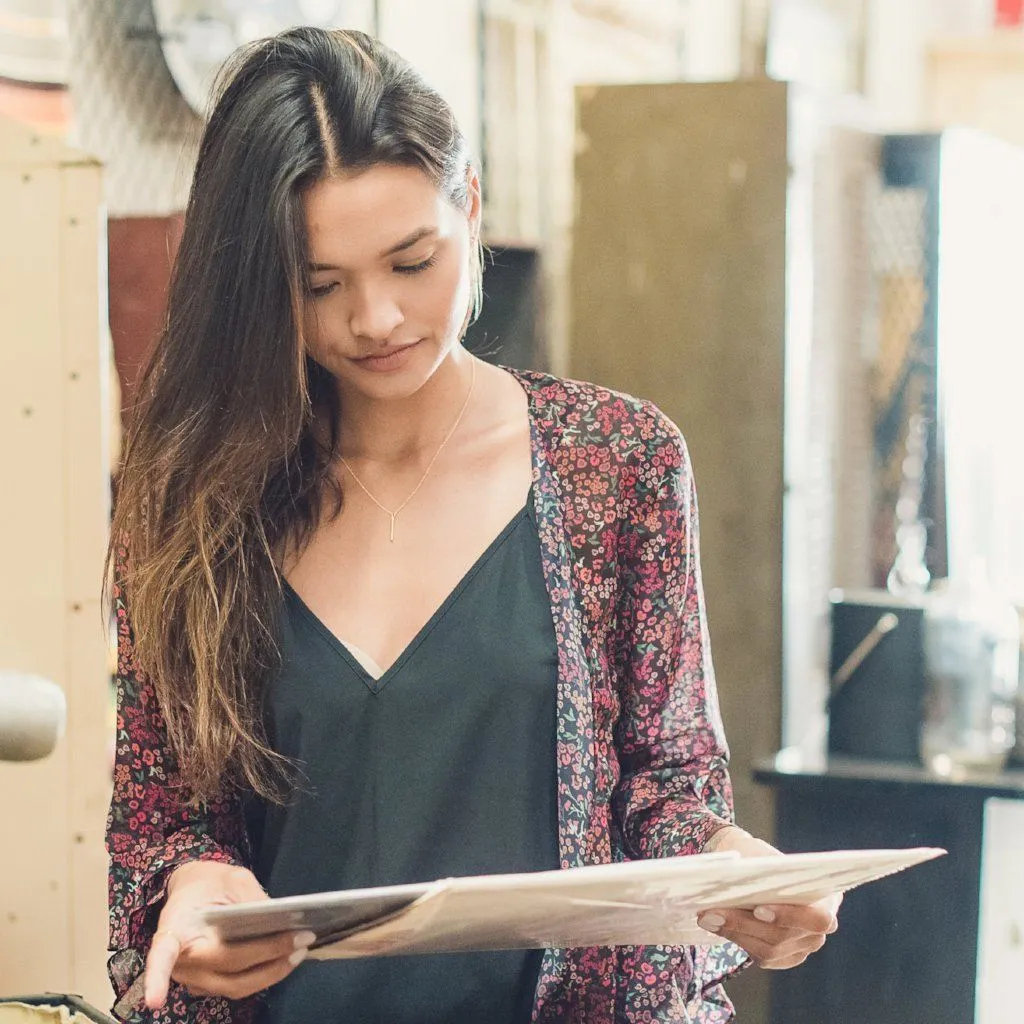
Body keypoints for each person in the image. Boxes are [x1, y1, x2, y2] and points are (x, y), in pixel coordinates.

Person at [105, 26, 839, 1024]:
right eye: (318, 283)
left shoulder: (614, 463)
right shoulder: (194, 496)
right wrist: (190, 880)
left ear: (471, 207)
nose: (374, 318)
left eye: (412, 261)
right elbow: (163, 813)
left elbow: (664, 796)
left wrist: (737, 871)